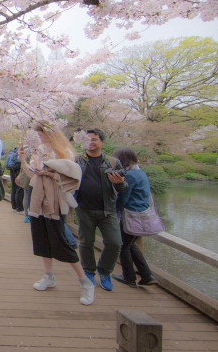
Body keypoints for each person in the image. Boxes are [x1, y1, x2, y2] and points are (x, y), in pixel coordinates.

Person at [18, 121, 95, 306]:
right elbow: (32, 174)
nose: (39, 138)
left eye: (41, 134)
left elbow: (71, 177)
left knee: (61, 240)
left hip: (55, 202)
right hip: (38, 200)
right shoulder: (38, 151)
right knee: (42, 239)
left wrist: (50, 173)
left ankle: (85, 282)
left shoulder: (65, 152)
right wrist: (22, 159)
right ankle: (48, 275)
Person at [75, 128, 126, 292]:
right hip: (83, 208)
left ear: (102, 142)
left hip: (107, 209)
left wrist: (118, 183)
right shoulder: (77, 160)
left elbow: (123, 186)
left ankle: (104, 271)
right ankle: (88, 271)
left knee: (114, 242)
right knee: (85, 242)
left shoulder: (112, 162)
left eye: (94, 139)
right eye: (87, 139)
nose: (90, 142)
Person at [112, 147, 158, 287]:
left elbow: (124, 197)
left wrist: (114, 211)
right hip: (141, 213)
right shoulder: (140, 173)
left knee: (123, 246)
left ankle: (129, 277)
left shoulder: (130, 175)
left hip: (131, 214)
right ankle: (147, 275)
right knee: (130, 244)